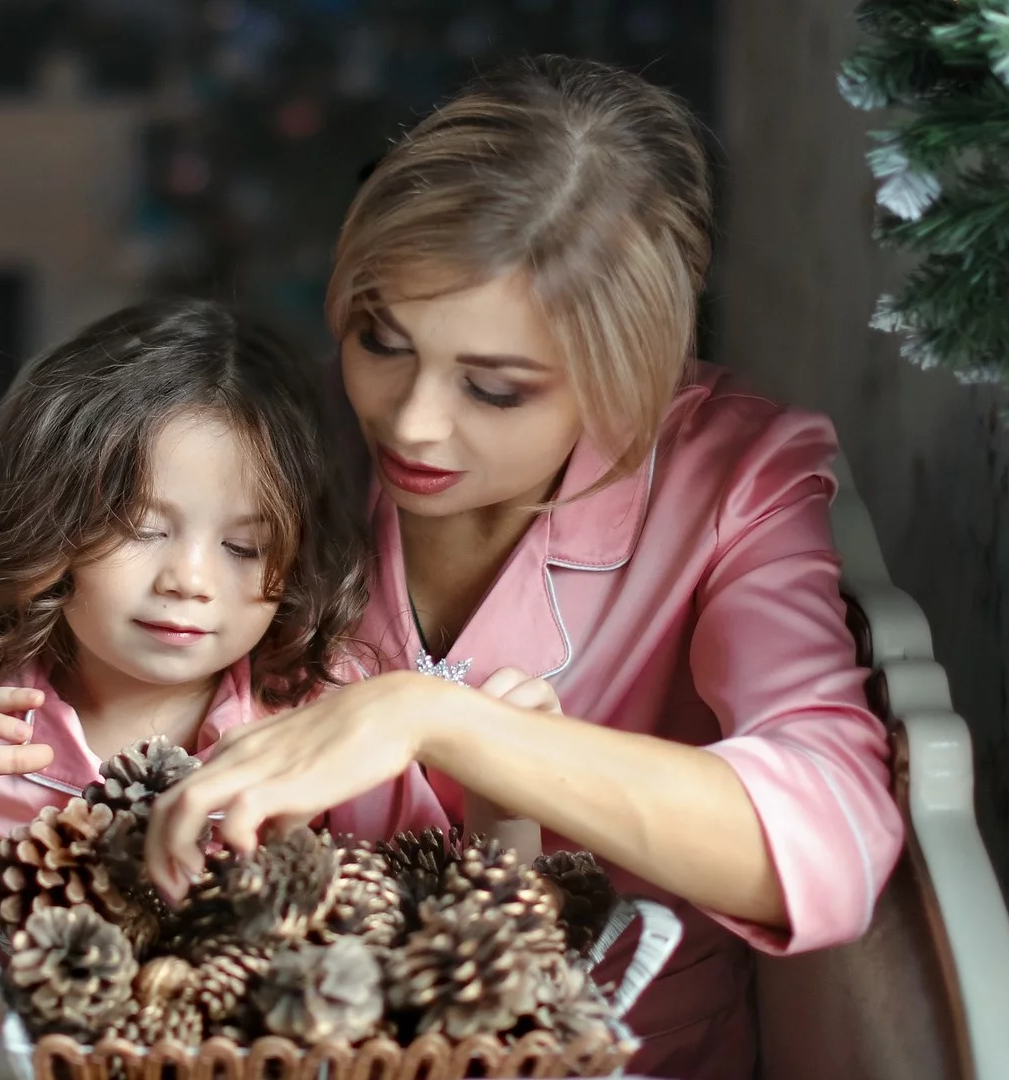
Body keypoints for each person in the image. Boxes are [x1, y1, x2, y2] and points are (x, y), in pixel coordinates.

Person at [142, 57, 904, 1080]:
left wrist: (439, 719)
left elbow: (831, 838)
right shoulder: (276, 443)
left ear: (626, 376)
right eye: (382, 340)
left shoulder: (731, 479)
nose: (410, 421)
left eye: (495, 389)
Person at [0, 298, 452, 1027]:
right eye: (143, 528)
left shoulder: (327, 711)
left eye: (243, 548)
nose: (191, 580)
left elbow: (450, 940)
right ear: (53, 518)